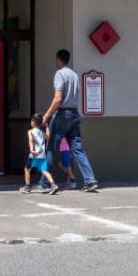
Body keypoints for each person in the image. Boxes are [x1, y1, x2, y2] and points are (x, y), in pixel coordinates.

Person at [42, 49, 99, 192]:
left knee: (51, 149)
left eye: (56, 60)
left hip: (62, 114)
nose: (55, 62)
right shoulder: (74, 75)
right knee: (78, 150)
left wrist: (47, 115)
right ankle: (90, 180)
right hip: (74, 114)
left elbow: (58, 98)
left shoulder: (60, 74)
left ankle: (45, 183)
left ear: (59, 60)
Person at [21, 113, 59, 194]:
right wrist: (47, 126)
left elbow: (31, 140)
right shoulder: (42, 131)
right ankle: (53, 185)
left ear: (33, 122)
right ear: (41, 123)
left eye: (31, 121)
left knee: (27, 169)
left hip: (34, 154)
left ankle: (27, 187)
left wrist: (31, 150)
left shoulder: (30, 131)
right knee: (44, 170)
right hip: (42, 154)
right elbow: (48, 137)